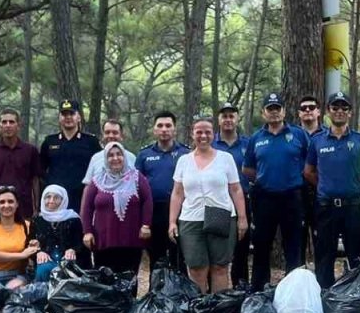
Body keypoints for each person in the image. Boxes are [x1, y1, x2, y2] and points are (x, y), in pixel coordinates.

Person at [170, 117, 248, 293]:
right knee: (197, 268)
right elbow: (177, 192)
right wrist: (172, 222)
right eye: (199, 132)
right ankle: (199, 310)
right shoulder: (184, 160)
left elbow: (235, 189)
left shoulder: (225, 158)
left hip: (221, 215)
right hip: (191, 218)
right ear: (192, 134)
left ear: (213, 134)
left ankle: (217, 310)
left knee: (219, 267)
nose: (203, 136)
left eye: (207, 132)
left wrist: (242, 219)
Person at [243, 92, 310, 289]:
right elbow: (247, 168)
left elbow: (310, 164)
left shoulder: (298, 134)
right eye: (270, 109)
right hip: (265, 198)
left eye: (277, 109)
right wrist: (265, 178)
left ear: (284, 111)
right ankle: (258, 290)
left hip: (292, 197)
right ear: (263, 113)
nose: (274, 113)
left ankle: (293, 291)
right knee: (262, 245)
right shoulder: (256, 138)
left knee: (293, 246)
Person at [304, 93, 360, 288]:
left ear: (350, 112)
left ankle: (358, 297)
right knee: (324, 257)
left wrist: (356, 185)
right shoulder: (317, 141)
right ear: (328, 111)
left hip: (353, 207)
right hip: (326, 208)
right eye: (335, 108)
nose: (339, 111)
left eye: (344, 108)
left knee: (357, 257)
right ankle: (325, 296)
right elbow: (308, 172)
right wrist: (324, 185)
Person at [80, 142, 152, 279]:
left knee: (129, 278)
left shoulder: (137, 178)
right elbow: (87, 207)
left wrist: (146, 225)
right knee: (105, 279)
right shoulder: (97, 181)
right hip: (104, 239)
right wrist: (87, 232)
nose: (115, 158)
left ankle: (129, 301)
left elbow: (147, 201)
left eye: (119, 154)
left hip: (131, 239)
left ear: (124, 157)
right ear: (105, 159)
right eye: (110, 155)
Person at [136, 111, 189, 271]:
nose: (164, 129)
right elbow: (136, 185)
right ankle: (155, 293)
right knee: (155, 257)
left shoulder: (185, 153)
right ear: (154, 130)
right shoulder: (144, 155)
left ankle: (180, 293)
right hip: (153, 211)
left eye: (168, 126)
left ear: (175, 129)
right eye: (160, 126)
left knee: (179, 256)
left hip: (181, 210)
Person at [213, 102, 251, 286]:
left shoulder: (248, 144)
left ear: (237, 119)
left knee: (241, 249)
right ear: (218, 120)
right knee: (217, 248)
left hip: (243, 201)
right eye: (224, 116)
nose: (228, 119)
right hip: (218, 204)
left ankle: (240, 289)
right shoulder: (210, 143)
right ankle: (215, 292)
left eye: (231, 116)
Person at [40, 99, 101, 210]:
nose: (68, 117)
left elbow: (99, 171)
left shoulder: (91, 142)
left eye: (72, 114)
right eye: (64, 114)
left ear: (79, 117)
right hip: (56, 201)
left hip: (82, 199)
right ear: (59, 118)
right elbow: (41, 171)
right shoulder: (50, 141)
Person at [0, 107, 41, 218]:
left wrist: (36, 208)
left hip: (24, 209)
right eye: (4, 122)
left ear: (18, 126)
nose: (8, 125)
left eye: (11, 122)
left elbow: (35, 180)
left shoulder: (30, 150)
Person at [30, 185, 84, 281]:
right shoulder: (37, 220)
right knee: (44, 269)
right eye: (48, 197)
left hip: (68, 260)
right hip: (47, 260)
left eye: (56, 198)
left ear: (63, 200)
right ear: (43, 199)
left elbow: (80, 242)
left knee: (69, 270)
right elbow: (30, 243)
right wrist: (39, 252)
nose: (51, 201)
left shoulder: (73, 219)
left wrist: (73, 249)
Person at [297, 95, 324, 264]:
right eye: (304, 108)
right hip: (296, 195)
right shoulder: (292, 134)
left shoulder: (327, 134)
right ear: (299, 113)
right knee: (296, 242)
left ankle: (322, 282)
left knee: (321, 240)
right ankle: (297, 281)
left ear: (318, 112)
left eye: (312, 107)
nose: (308, 110)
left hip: (320, 194)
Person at [82, 118, 138, 185]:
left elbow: (138, 183)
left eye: (115, 133)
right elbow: (88, 185)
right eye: (107, 132)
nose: (111, 136)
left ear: (121, 136)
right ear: (103, 135)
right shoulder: (95, 158)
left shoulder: (131, 158)